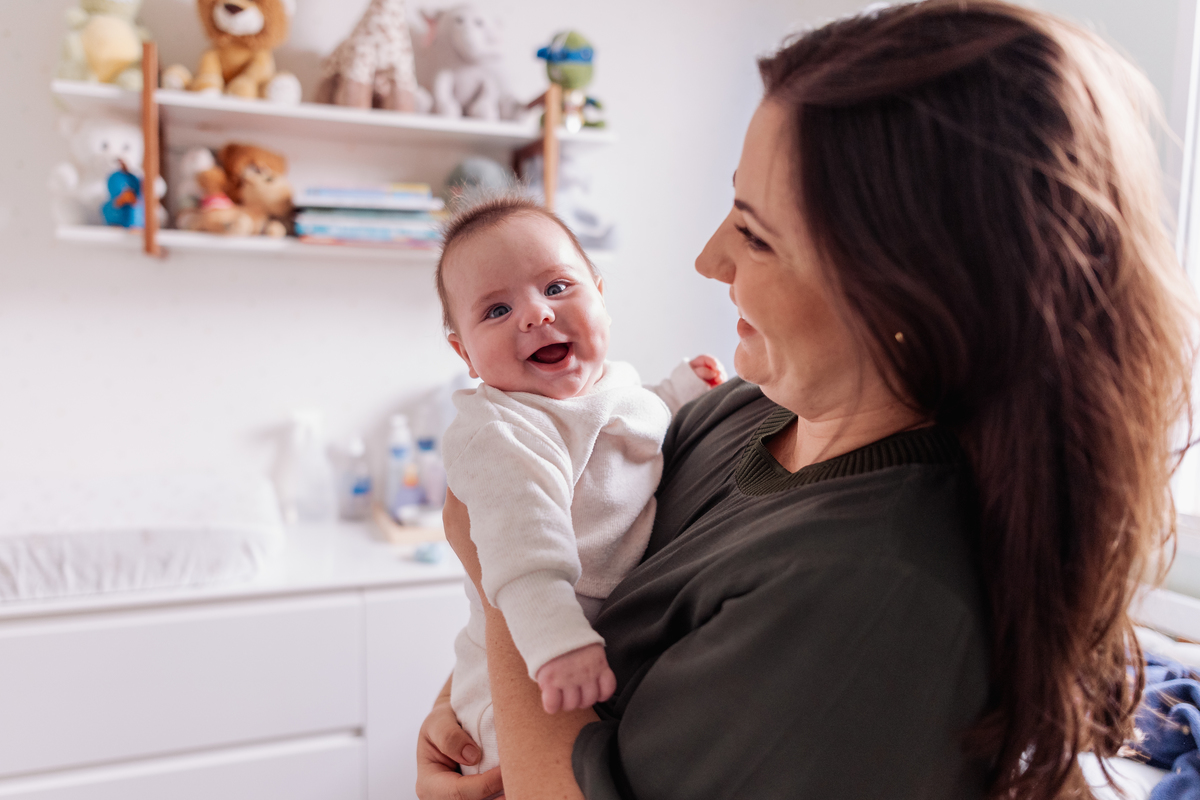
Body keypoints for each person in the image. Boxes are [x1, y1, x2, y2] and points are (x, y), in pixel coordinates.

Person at [417, 1, 1197, 798]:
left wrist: (486, 559)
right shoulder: (741, 414)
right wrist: (464, 712)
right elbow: (587, 566)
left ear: (906, 284)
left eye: (755, 233)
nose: (709, 259)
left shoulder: (874, 590)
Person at [435, 193, 725, 775]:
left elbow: (632, 421)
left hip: (596, 633)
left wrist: (680, 391)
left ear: (600, 295)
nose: (535, 315)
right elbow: (523, 551)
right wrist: (557, 643)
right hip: (524, 661)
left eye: (557, 287)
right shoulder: (503, 431)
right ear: (465, 354)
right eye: (497, 310)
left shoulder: (610, 386)